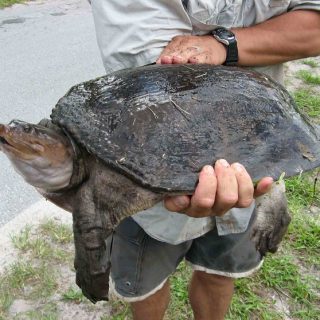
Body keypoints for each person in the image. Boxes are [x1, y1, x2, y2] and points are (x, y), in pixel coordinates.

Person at [90, 1, 320, 319]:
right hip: (147, 172)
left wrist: (224, 45)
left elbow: (314, 28)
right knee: (146, 284)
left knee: (219, 273)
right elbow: (156, 71)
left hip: (255, 165)